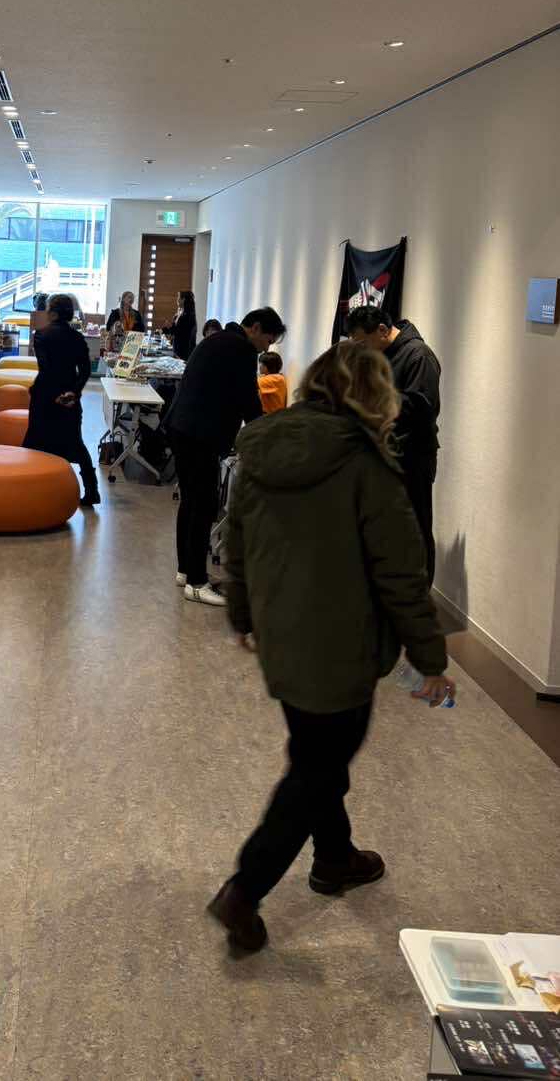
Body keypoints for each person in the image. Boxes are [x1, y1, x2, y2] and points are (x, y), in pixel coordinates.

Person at [207, 343, 454, 953]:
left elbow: (237, 540)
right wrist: (430, 660)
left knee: (317, 752)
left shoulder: (261, 447)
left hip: (282, 637)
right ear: (375, 395)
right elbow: (401, 574)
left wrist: (242, 614)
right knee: (316, 768)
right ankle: (245, 888)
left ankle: (334, 856)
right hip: (343, 645)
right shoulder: (367, 465)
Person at [167, 306, 286, 606]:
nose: (266, 349)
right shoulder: (241, 349)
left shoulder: (217, 340)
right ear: (255, 328)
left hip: (182, 429)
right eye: (268, 340)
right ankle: (196, 583)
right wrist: (265, 436)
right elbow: (248, 400)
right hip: (200, 435)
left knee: (191, 502)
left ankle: (186, 570)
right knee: (204, 505)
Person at [346, 306, 442, 583]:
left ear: (382, 330)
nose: (362, 351)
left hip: (411, 457)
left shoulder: (419, 356)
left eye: (363, 344)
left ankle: (419, 597)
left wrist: (371, 398)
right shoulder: (382, 354)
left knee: (415, 529)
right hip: (385, 453)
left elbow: (422, 408)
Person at [23, 292, 101, 506]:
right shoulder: (78, 338)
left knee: (34, 440)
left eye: (48, 309)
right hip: (70, 397)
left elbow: (46, 369)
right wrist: (73, 392)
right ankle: (92, 490)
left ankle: (28, 487)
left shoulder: (41, 335)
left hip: (45, 397)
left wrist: (52, 394)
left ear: (54, 313)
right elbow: (85, 370)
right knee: (75, 442)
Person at [166, 289, 198, 361]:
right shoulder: (181, 313)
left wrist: (170, 327)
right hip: (178, 347)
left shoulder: (188, 315)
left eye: (178, 297)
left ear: (183, 300)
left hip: (184, 350)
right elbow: (176, 329)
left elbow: (181, 332)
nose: (177, 300)